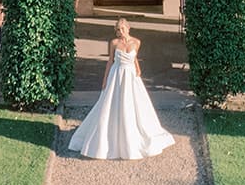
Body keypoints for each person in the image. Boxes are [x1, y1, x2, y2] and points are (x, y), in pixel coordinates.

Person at [67, 18, 175, 160]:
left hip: (130, 76)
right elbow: (110, 61)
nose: (120, 32)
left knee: (133, 104)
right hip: (116, 75)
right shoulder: (114, 43)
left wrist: (137, 68)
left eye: (122, 29)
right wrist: (105, 80)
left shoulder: (137, 42)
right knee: (110, 103)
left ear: (128, 28)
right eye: (118, 29)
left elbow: (135, 57)